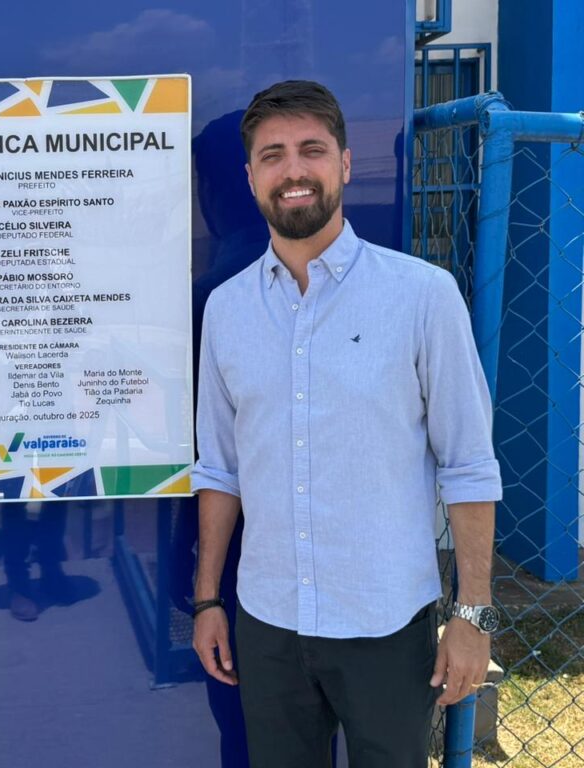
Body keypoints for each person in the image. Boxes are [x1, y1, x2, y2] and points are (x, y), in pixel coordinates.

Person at [190, 81, 503, 768]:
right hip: (268, 624)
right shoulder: (227, 310)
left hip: (386, 624)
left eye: (312, 149)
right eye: (272, 155)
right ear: (250, 177)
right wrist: (208, 598)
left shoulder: (422, 297)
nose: (293, 170)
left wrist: (472, 615)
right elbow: (219, 468)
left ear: (346, 164)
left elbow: (469, 466)